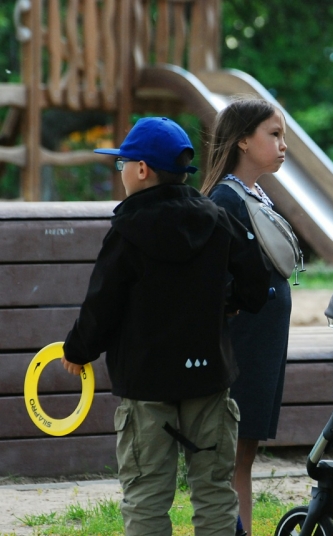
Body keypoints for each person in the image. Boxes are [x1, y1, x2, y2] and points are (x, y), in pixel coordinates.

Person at [61, 116, 272, 536]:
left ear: (142, 170)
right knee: (214, 494)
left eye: (122, 162)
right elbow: (256, 281)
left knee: (146, 497)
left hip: (146, 387)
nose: (119, 170)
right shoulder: (214, 217)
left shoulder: (127, 230)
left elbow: (101, 304)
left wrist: (77, 349)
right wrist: (225, 304)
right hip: (208, 379)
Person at [200, 97, 292, 536]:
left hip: (262, 344)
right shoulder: (224, 199)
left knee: (245, 452)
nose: (282, 145)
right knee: (232, 452)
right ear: (241, 139)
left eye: (283, 136)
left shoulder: (256, 195)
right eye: (273, 135)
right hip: (240, 346)